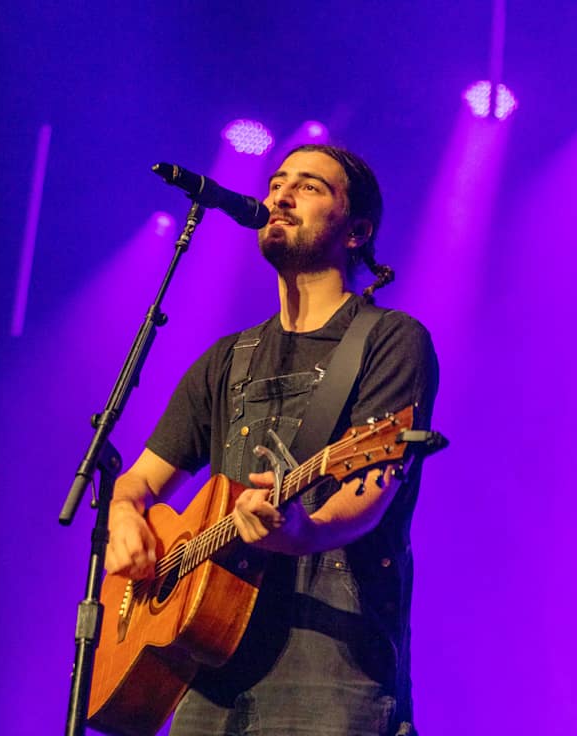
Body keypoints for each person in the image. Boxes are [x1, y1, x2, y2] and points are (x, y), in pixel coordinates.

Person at [104, 144, 438, 736]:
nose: (280, 195)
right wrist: (125, 516)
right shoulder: (227, 359)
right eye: (277, 182)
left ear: (357, 231)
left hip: (330, 665)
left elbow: (369, 492)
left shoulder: (390, 339)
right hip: (206, 666)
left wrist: (303, 531)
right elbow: (137, 483)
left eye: (309, 187)